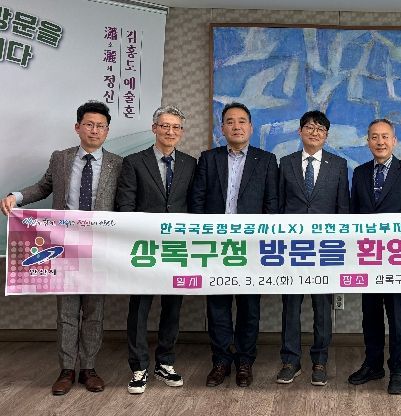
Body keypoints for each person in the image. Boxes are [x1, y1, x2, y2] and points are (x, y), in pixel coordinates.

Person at [0, 100, 122, 395]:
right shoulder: (61, 158)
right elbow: (43, 188)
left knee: (94, 310)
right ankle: (67, 369)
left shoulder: (119, 163)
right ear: (78, 127)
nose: (95, 130)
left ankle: (89, 368)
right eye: (89, 124)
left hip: (99, 246)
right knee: (67, 310)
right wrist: (16, 196)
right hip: (62, 245)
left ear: (107, 131)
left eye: (101, 126)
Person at [189, 102, 279, 388]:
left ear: (250, 127)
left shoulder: (266, 161)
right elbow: (197, 201)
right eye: (230, 121)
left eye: (242, 121)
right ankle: (220, 360)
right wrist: (201, 237)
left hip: (251, 246)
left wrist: (263, 241)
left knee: (249, 306)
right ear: (222, 128)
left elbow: (272, 205)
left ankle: (244, 361)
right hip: (215, 245)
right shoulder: (208, 159)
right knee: (217, 304)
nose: (236, 126)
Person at [115, 105, 196, 394]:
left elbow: (194, 205)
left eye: (176, 127)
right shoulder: (134, 162)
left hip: (177, 247)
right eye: (165, 126)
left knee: (172, 307)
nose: (170, 132)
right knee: (139, 307)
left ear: (181, 132)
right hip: (144, 247)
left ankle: (165, 362)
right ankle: (138, 367)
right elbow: (125, 204)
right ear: (154, 128)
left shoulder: (190, 163)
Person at [347, 118, 401, 394]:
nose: (380, 142)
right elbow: (354, 215)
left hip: (397, 259)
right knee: (370, 315)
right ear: (367, 141)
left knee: (397, 318)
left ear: (394, 141)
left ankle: (398, 370)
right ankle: (373, 364)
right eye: (374, 137)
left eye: (385, 137)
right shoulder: (359, 173)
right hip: (368, 257)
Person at [275, 110, 349, 386]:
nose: (314, 132)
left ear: (326, 135)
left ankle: (320, 361)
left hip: (325, 249)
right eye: (309, 127)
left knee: (322, 308)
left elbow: (343, 208)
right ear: (300, 131)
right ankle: (290, 361)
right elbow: (279, 206)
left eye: (320, 129)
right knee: (290, 306)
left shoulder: (338, 165)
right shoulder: (286, 163)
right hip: (292, 248)